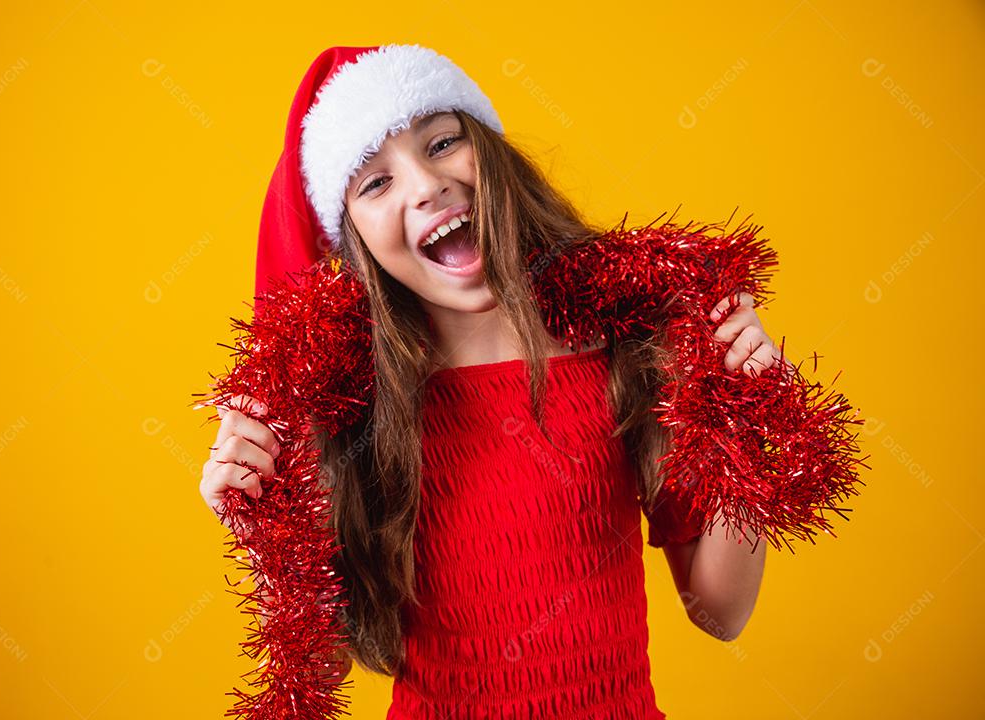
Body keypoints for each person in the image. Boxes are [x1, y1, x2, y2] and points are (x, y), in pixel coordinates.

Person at [200, 43, 778, 719]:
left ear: (494, 155)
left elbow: (721, 612)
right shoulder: (350, 403)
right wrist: (264, 520)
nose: (425, 185)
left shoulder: (624, 346)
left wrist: (743, 425)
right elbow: (319, 663)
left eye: (442, 142)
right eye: (375, 182)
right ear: (351, 238)